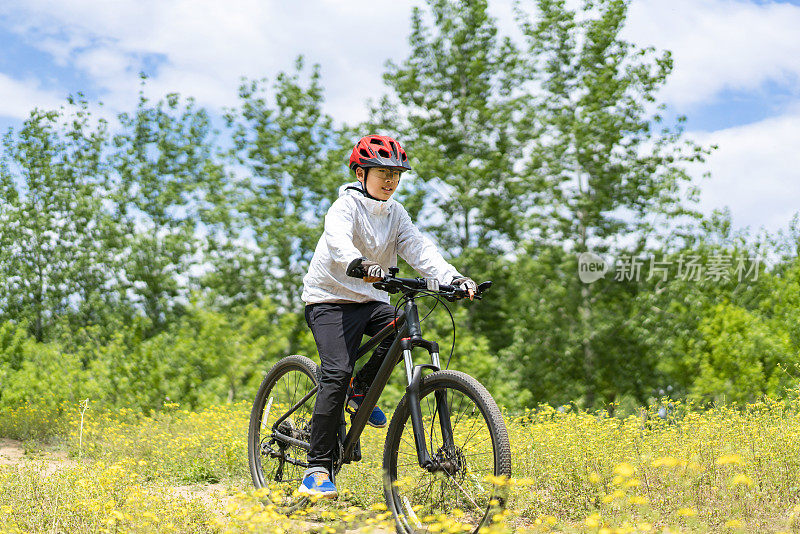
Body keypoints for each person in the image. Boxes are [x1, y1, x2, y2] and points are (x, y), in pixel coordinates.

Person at [297, 134, 477, 497]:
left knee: (403, 328)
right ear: (361, 173)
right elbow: (337, 240)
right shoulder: (344, 206)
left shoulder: (396, 213)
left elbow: (418, 247)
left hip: (370, 296)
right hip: (329, 299)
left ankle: (360, 393)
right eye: (382, 172)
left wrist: (451, 278)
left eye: (396, 174)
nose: (390, 181)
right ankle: (316, 468)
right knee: (336, 372)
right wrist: (358, 264)